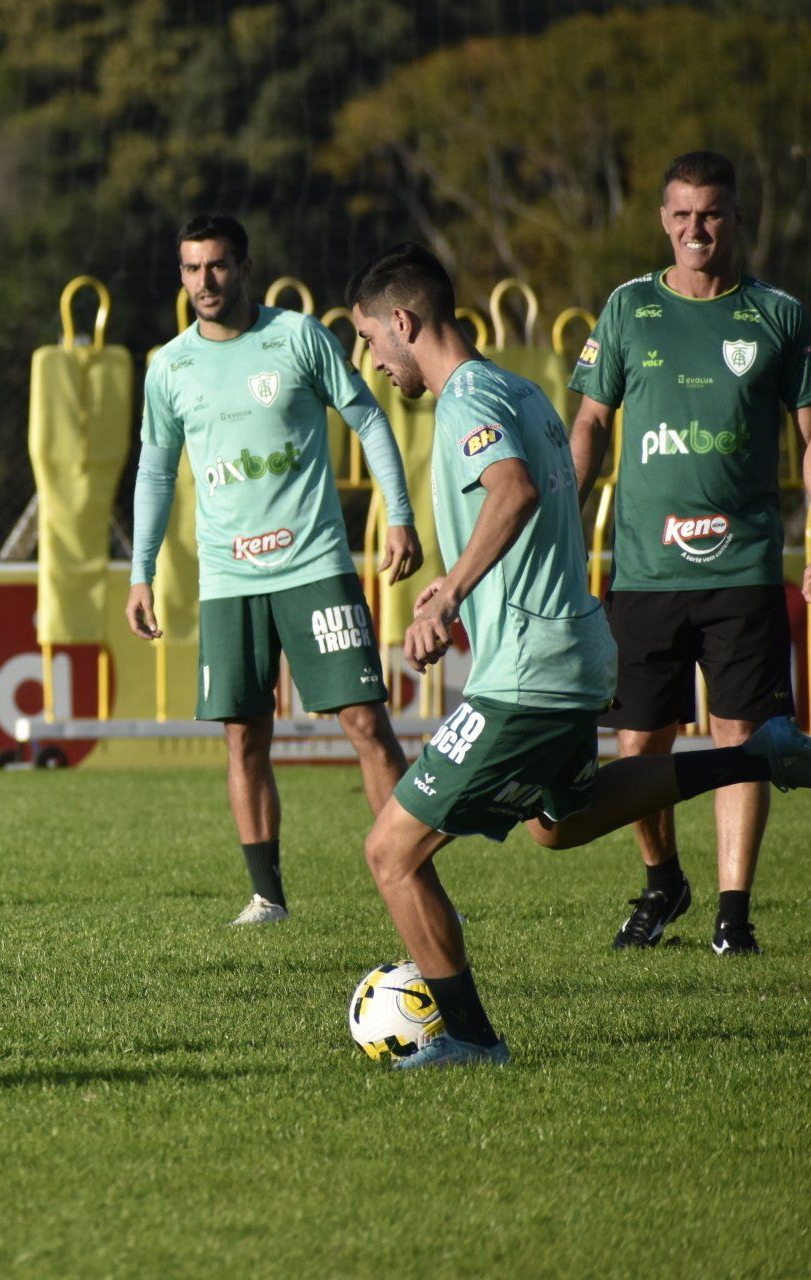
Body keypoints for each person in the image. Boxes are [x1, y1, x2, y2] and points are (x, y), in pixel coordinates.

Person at [347, 243, 811, 1069]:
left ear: (404, 322)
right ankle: (751, 757)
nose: (371, 360)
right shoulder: (523, 389)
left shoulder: (467, 399)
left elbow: (514, 489)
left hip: (528, 668)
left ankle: (471, 1040)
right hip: (576, 648)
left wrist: (451, 590)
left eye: (370, 339)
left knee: (390, 852)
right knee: (559, 823)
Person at [126, 214, 423, 924]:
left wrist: (402, 513)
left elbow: (370, 420)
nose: (205, 281)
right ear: (181, 275)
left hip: (315, 564)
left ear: (245, 267)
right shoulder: (169, 367)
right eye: (192, 268)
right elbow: (155, 474)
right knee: (242, 735)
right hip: (229, 579)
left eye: (219, 266)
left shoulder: (297, 337)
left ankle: (415, 879)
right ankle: (268, 897)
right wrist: (140, 571)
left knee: (365, 722)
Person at [569, 151, 811, 955]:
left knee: (742, 739)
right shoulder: (628, 308)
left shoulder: (779, 315)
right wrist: (563, 525)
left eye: (710, 213)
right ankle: (663, 880)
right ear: (663, 221)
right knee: (639, 747)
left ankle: (734, 916)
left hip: (742, 568)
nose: (695, 229)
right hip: (644, 571)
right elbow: (592, 425)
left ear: (735, 219)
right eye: (680, 214)